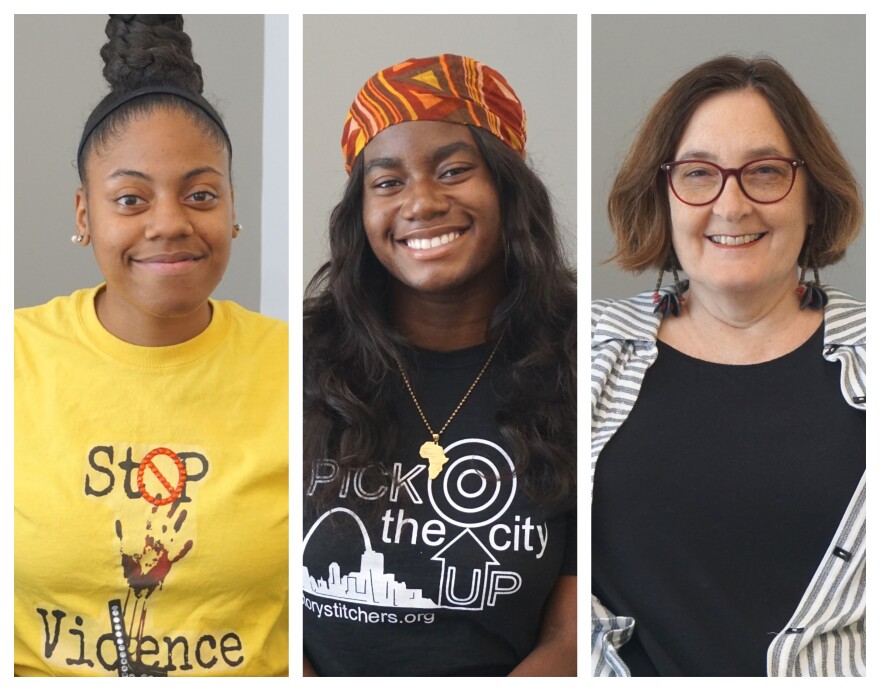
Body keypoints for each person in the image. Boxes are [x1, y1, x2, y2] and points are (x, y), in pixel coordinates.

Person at [14, 15, 288, 677]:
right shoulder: (16, 357)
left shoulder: (300, 364)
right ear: (85, 214)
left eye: (200, 194)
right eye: (131, 198)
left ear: (231, 210)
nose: (169, 223)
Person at [303, 54, 577, 676]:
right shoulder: (303, 359)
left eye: (453, 171)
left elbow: (570, 632)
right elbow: (261, 594)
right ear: (362, 212)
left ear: (506, 189)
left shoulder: (577, 361)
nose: (421, 203)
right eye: (388, 182)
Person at [591, 55, 865, 677]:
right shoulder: (584, 351)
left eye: (765, 172)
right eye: (698, 173)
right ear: (664, 196)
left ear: (814, 196)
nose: (731, 204)